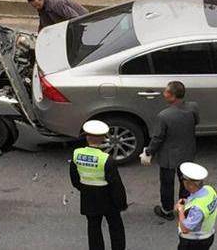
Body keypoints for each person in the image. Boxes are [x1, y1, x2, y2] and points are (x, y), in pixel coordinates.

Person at [139, 81, 200, 220]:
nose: (163, 93)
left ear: (172, 96)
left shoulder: (164, 116)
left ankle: (167, 210)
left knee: (167, 184)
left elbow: (158, 138)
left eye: (166, 92)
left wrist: (148, 152)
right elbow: (196, 122)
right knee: (186, 183)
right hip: (188, 151)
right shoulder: (193, 107)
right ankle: (183, 208)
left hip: (168, 156)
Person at [70, 120, 128, 250]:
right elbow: (116, 185)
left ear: (87, 137)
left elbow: (74, 179)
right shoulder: (106, 159)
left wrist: (85, 188)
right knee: (116, 226)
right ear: (102, 138)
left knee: (93, 228)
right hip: (107, 198)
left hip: (88, 196)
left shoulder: (76, 154)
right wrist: (121, 203)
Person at [174, 162, 217, 250]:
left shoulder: (197, 208)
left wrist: (180, 210)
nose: (182, 182)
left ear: (190, 184)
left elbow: (185, 229)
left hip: (194, 242)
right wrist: (186, 202)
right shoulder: (209, 190)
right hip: (208, 235)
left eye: (184, 180)